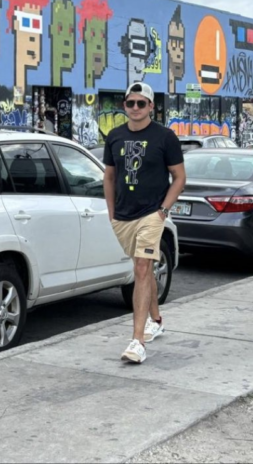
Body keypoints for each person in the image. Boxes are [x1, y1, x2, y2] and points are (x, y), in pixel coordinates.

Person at [103, 82, 186, 364]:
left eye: (142, 103)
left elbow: (179, 178)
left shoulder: (165, 137)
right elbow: (109, 177)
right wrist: (111, 212)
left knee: (141, 266)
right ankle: (156, 320)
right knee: (144, 268)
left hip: (152, 213)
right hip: (123, 216)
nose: (135, 108)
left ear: (151, 106)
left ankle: (137, 342)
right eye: (131, 103)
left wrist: (163, 210)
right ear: (125, 105)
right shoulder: (114, 136)